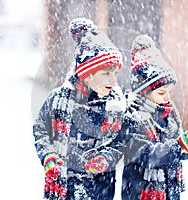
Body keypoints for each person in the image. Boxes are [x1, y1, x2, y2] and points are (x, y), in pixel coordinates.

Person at [33, 18, 126, 200]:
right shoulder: (58, 99)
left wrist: (106, 158)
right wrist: (49, 156)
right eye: (106, 73)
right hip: (64, 186)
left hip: (100, 189)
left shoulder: (116, 105)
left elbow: (121, 140)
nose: (113, 80)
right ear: (87, 74)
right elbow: (41, 130)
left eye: (115, 73)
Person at [121, 35, 188, 200]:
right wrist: (178, 146)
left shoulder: (169, 113)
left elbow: (176, 149)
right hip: (142, 192)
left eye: (168, 91)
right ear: (143, 92)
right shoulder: (132, 116)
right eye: (161, 92)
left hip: (169, 190)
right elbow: (146, 155)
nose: (167, 97)